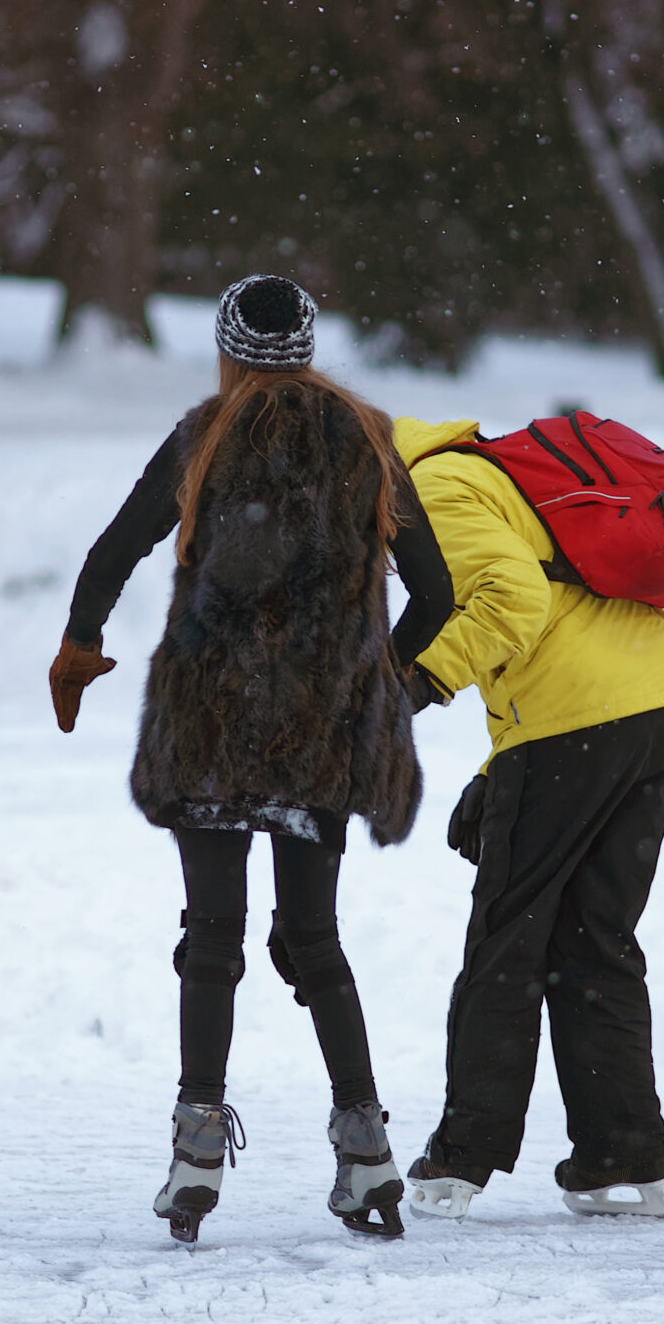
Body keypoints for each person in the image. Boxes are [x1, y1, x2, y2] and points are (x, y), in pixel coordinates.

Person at [47, 276, 454, 1243]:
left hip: (211, 727)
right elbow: (435, 594)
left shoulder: (205, 437)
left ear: (227, 350)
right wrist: (374, 680)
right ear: (308, 348)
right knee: (314, 940)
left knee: (213, 936)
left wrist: (80, 643)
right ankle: (368, 1157)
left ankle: (195, 1157)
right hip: (320, 733)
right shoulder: (368, 439)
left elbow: (114, 549)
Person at [393, 415, 664, 1221]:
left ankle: (460, 1159)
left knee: (506, 935)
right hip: (650, 703)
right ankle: (622, 1160)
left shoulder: (431, 487)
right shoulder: (485, 471)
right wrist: (499, 766)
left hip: (571, 720)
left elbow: (515, 601)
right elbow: (555, 596)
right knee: (595, 937)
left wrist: (413, 687)